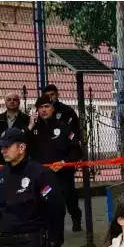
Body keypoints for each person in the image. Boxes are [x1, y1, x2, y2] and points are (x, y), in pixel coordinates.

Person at [30, 96, 82, 232]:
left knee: (67, 201)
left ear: (53, 109)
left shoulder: (63, 127)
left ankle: (75, 219)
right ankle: (46, 234)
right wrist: (29, 126)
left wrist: (64, 162)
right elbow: (21, 147)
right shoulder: (32, 129)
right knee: (44, 205)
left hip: (61, 175)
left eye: (47, 107)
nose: (44, 110)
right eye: (41, 107)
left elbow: (76, 151)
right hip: (41, 177)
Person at [0, 93, 30, 227]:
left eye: (15, 100)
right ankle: (1, 220)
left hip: (20, 162)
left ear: (19, 102)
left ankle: (20, 219)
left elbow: (29, 140)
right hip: (1, 163)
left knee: (20, 189)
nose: (12, 102)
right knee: (1, 190)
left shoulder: (26, 119)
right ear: (5, 102)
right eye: (9, 100)